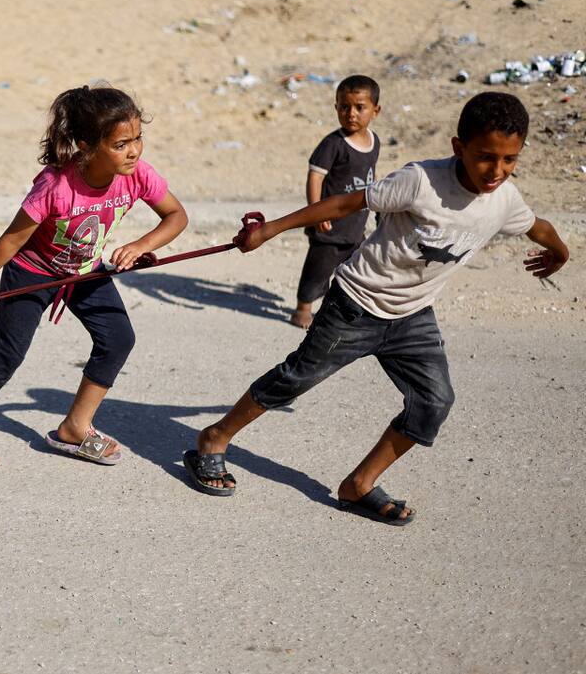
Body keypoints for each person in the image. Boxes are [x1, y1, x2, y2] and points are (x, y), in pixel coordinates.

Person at [183, 92, 569, 525]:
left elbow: (537, 225)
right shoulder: (421, 181)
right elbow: (347, 203)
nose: (496, 170)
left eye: (509, 159)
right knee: (295, 378)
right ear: (459, 146)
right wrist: (270, 229)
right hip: (355, 303)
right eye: (485, 157)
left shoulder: (505, 198)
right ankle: (214, 439)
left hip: (412, 316)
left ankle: (359, 484)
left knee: (433, 402)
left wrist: (560, 252)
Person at [0, 85, 189, 468]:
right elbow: (11, 240)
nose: (134, 150)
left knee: (118, 339)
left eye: (138, 139)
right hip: (33, 272)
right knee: (7, 354)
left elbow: (176, 216)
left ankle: (74, 427)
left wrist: (141, 244)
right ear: (86, 145)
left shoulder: (138, 175)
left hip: (85, 272)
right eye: (120, 144)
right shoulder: (55, 186)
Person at [290, 75, 381, 329]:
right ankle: (303, 309)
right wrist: (316, 212)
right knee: (318, 268)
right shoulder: (333, 144)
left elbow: (370, 175)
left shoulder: (374, 142)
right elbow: (315, 177)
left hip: (355, 223)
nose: (351, 113)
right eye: (344, 107)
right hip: (328, 224)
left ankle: (336, 311)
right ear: (336, 108)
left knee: (353, 269)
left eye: (359, 107)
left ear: (375, 110)